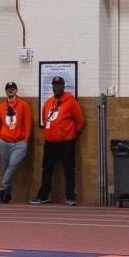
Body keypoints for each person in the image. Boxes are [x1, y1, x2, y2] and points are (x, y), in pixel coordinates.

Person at [30, 76, 85, 206]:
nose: (57, 87)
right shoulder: (48, 102)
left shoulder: (71, 102)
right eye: (55, 85)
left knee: (69, 170)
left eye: (59, 85)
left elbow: (80, 121)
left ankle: (70, 197)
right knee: (47, 170)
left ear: (63, 86)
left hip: (66, 143)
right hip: (50, 143)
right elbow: (45, 119)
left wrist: (71, 134)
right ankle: (43, 196)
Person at [0, 81, 33, 203]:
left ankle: (2, 187)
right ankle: (6, 194)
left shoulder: (24, 105)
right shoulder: (1, 107)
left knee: (13, 164)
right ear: (5, 91)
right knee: (4, 168)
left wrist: (26, 140)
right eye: (8, 89)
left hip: (19, 142)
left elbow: (28, 123)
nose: (10, 90)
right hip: (4, 141)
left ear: (16, 90)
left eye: (13, 88)